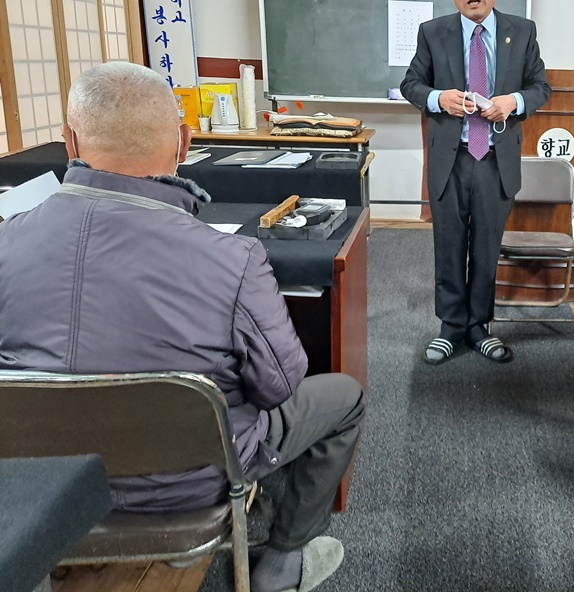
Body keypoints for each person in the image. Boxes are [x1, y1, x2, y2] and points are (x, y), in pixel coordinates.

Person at [0, 62, 364, 592]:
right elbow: (279, 386)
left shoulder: (6, 242)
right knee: (344, 397)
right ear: (184, 142)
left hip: (40, 482)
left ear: (69, 141)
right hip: (190, 483)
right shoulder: (233, 259)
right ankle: (283, 562)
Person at [400, 0, 551, 365]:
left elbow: (541, 87)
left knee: (486, 248)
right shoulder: (433, 33)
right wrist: (439, 98)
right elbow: (411, 84)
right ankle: (450, 327)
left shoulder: (522, 31)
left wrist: (513, 103)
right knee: (449, 245)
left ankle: (479, 327)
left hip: (495, 160)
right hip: (450, 159)